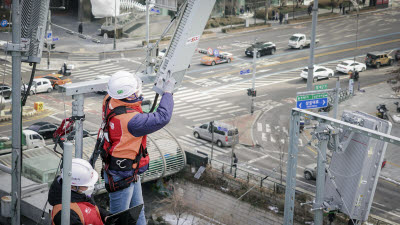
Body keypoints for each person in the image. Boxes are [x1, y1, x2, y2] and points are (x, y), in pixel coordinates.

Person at [102, 71, 176, 225]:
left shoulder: (110, 100)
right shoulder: (132, 121)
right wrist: (168, 93)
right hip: (122, 173)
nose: (138, 92)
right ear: (128, 96)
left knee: (138, 212)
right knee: (119, 219)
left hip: (127, 170)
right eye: (135, 90)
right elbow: (162, 117)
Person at [49, 158, 109, 225]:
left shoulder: (78, 195)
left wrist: (106, 216)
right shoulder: (65, 214)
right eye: (86, 186)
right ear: (72, 187)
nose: (89, 187)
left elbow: (92, 208)